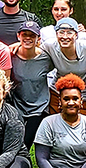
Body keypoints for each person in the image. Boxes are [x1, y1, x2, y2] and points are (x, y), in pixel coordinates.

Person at [9, 21, 53, 150]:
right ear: (18, 36)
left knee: (25, 143)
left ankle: (23, 161)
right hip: (17, 106)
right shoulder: (11, 55)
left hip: (39, 107)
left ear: (38, 38)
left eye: (32, 35)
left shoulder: (46, 58)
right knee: (13, 141)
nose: (28, 38)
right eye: (25, 34)